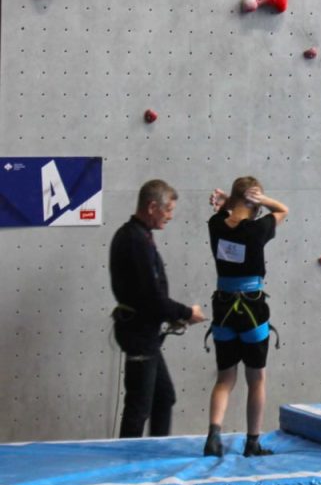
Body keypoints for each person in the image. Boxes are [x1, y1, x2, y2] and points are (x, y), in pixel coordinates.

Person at [110, 179, 206, 438]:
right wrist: (186, 313)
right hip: (138, 334)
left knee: (163, 398)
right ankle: (128, 463)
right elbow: (151, 297)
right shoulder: (135, 240)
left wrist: (170, 316)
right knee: (139, 406)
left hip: (145, 331)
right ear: (152, 207)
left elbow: (147, 295)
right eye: (168, 210)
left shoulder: (138, 235)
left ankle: (156, 454)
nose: (170, 216)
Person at [202, 178, 288, 457]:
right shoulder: (257, 229)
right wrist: (262, 200)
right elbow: (283, 210)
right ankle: (252, 442)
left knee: (224, 379)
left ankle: (213, 436)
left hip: (224, 309)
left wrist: (231, 203)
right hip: (252, 309)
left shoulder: (215, 225)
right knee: (256, 379)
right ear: (254, 203)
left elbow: (227, 214)